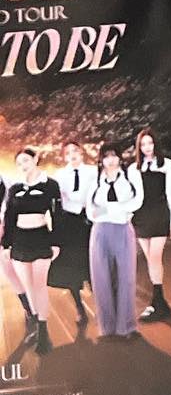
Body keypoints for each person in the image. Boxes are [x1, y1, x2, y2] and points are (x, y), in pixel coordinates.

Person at [2, 148, 60, 353]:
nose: (23, 166)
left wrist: (56, 242)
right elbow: (9, 217)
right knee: (29, 287)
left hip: (41, 238)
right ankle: (36, 324)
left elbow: (57, 214)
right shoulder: (15, 188)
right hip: (19, 241)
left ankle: (44, 333)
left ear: (35, 159)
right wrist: (6, 245)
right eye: (19, 163)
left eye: (26, 160)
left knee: (39, 285)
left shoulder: (50, 185)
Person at [87, 143, 142, 338]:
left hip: (123, 229)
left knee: (126, 277)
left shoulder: (130, 176)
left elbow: (137, 201)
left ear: (120, 158)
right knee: (102, 279)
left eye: (114, 156)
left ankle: (126, 326)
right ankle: (107, 327)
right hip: (100, 232)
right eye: (106, 156)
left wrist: (108, 209)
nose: (110, 160)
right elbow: (91, 211)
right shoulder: (96, 180)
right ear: (101, 160)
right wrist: (119, 208)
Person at [134, 128, 171, 323]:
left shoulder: (167, 165)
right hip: (141, 216)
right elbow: (132, 195)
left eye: (150, 143)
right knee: (151, 260)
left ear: (156, 144)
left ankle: (157, 302)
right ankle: (160, 303)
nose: (147, 147)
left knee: (155, 257)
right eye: (143, 144)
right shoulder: (134, 168)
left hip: (160, 214)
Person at [49, 141, 95, 331]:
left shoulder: (93, 172)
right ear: (64, 156)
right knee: (71, 266)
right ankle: (79, 307)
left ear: (81, 152)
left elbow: (92, 196)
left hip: (89, 220)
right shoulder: (59, 175)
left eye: (75, 150)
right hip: (68, 224)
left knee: (93, 263)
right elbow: (58, 201)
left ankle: (102, 303)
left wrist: (77, 201)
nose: (72, 155)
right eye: (68, 152)